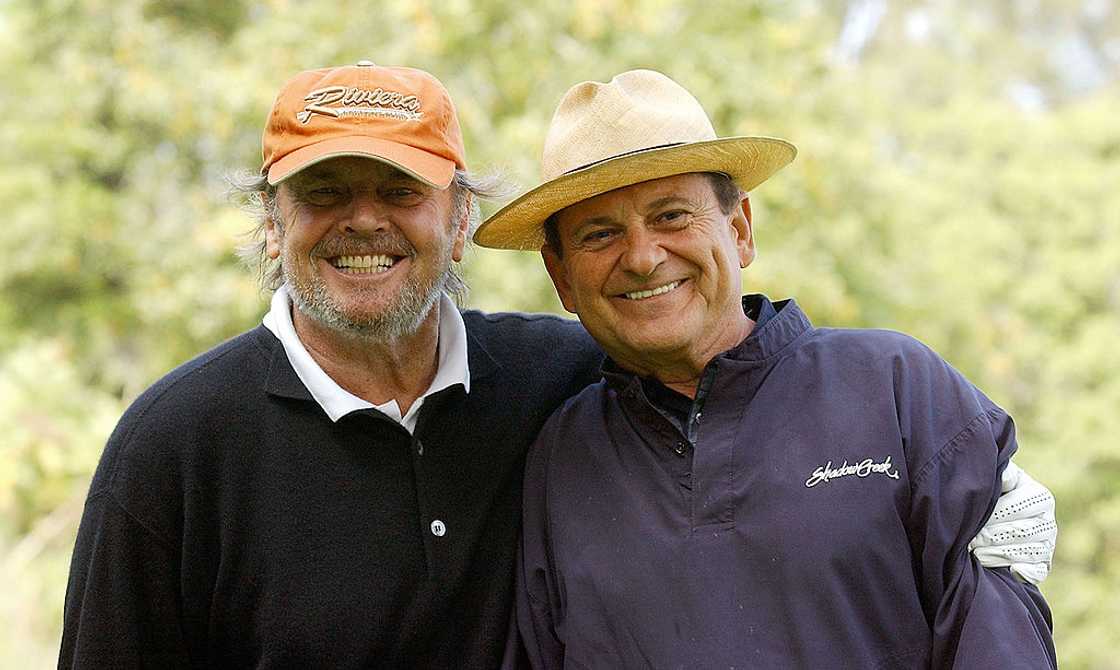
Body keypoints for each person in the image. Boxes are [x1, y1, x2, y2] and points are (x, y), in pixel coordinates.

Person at [60, 63, 1053, 668]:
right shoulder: (174, 446)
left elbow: (1007, 521)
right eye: (325, 191)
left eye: (672, 215)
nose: (642, 256)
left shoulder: (881, 383)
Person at [474, 70, 1058, 668]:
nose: (644, 258)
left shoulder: (896, 387)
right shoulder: (561, 460)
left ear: (740, 230)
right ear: (561, 276)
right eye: (600, 234)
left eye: (672, 216)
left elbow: (999, 640)